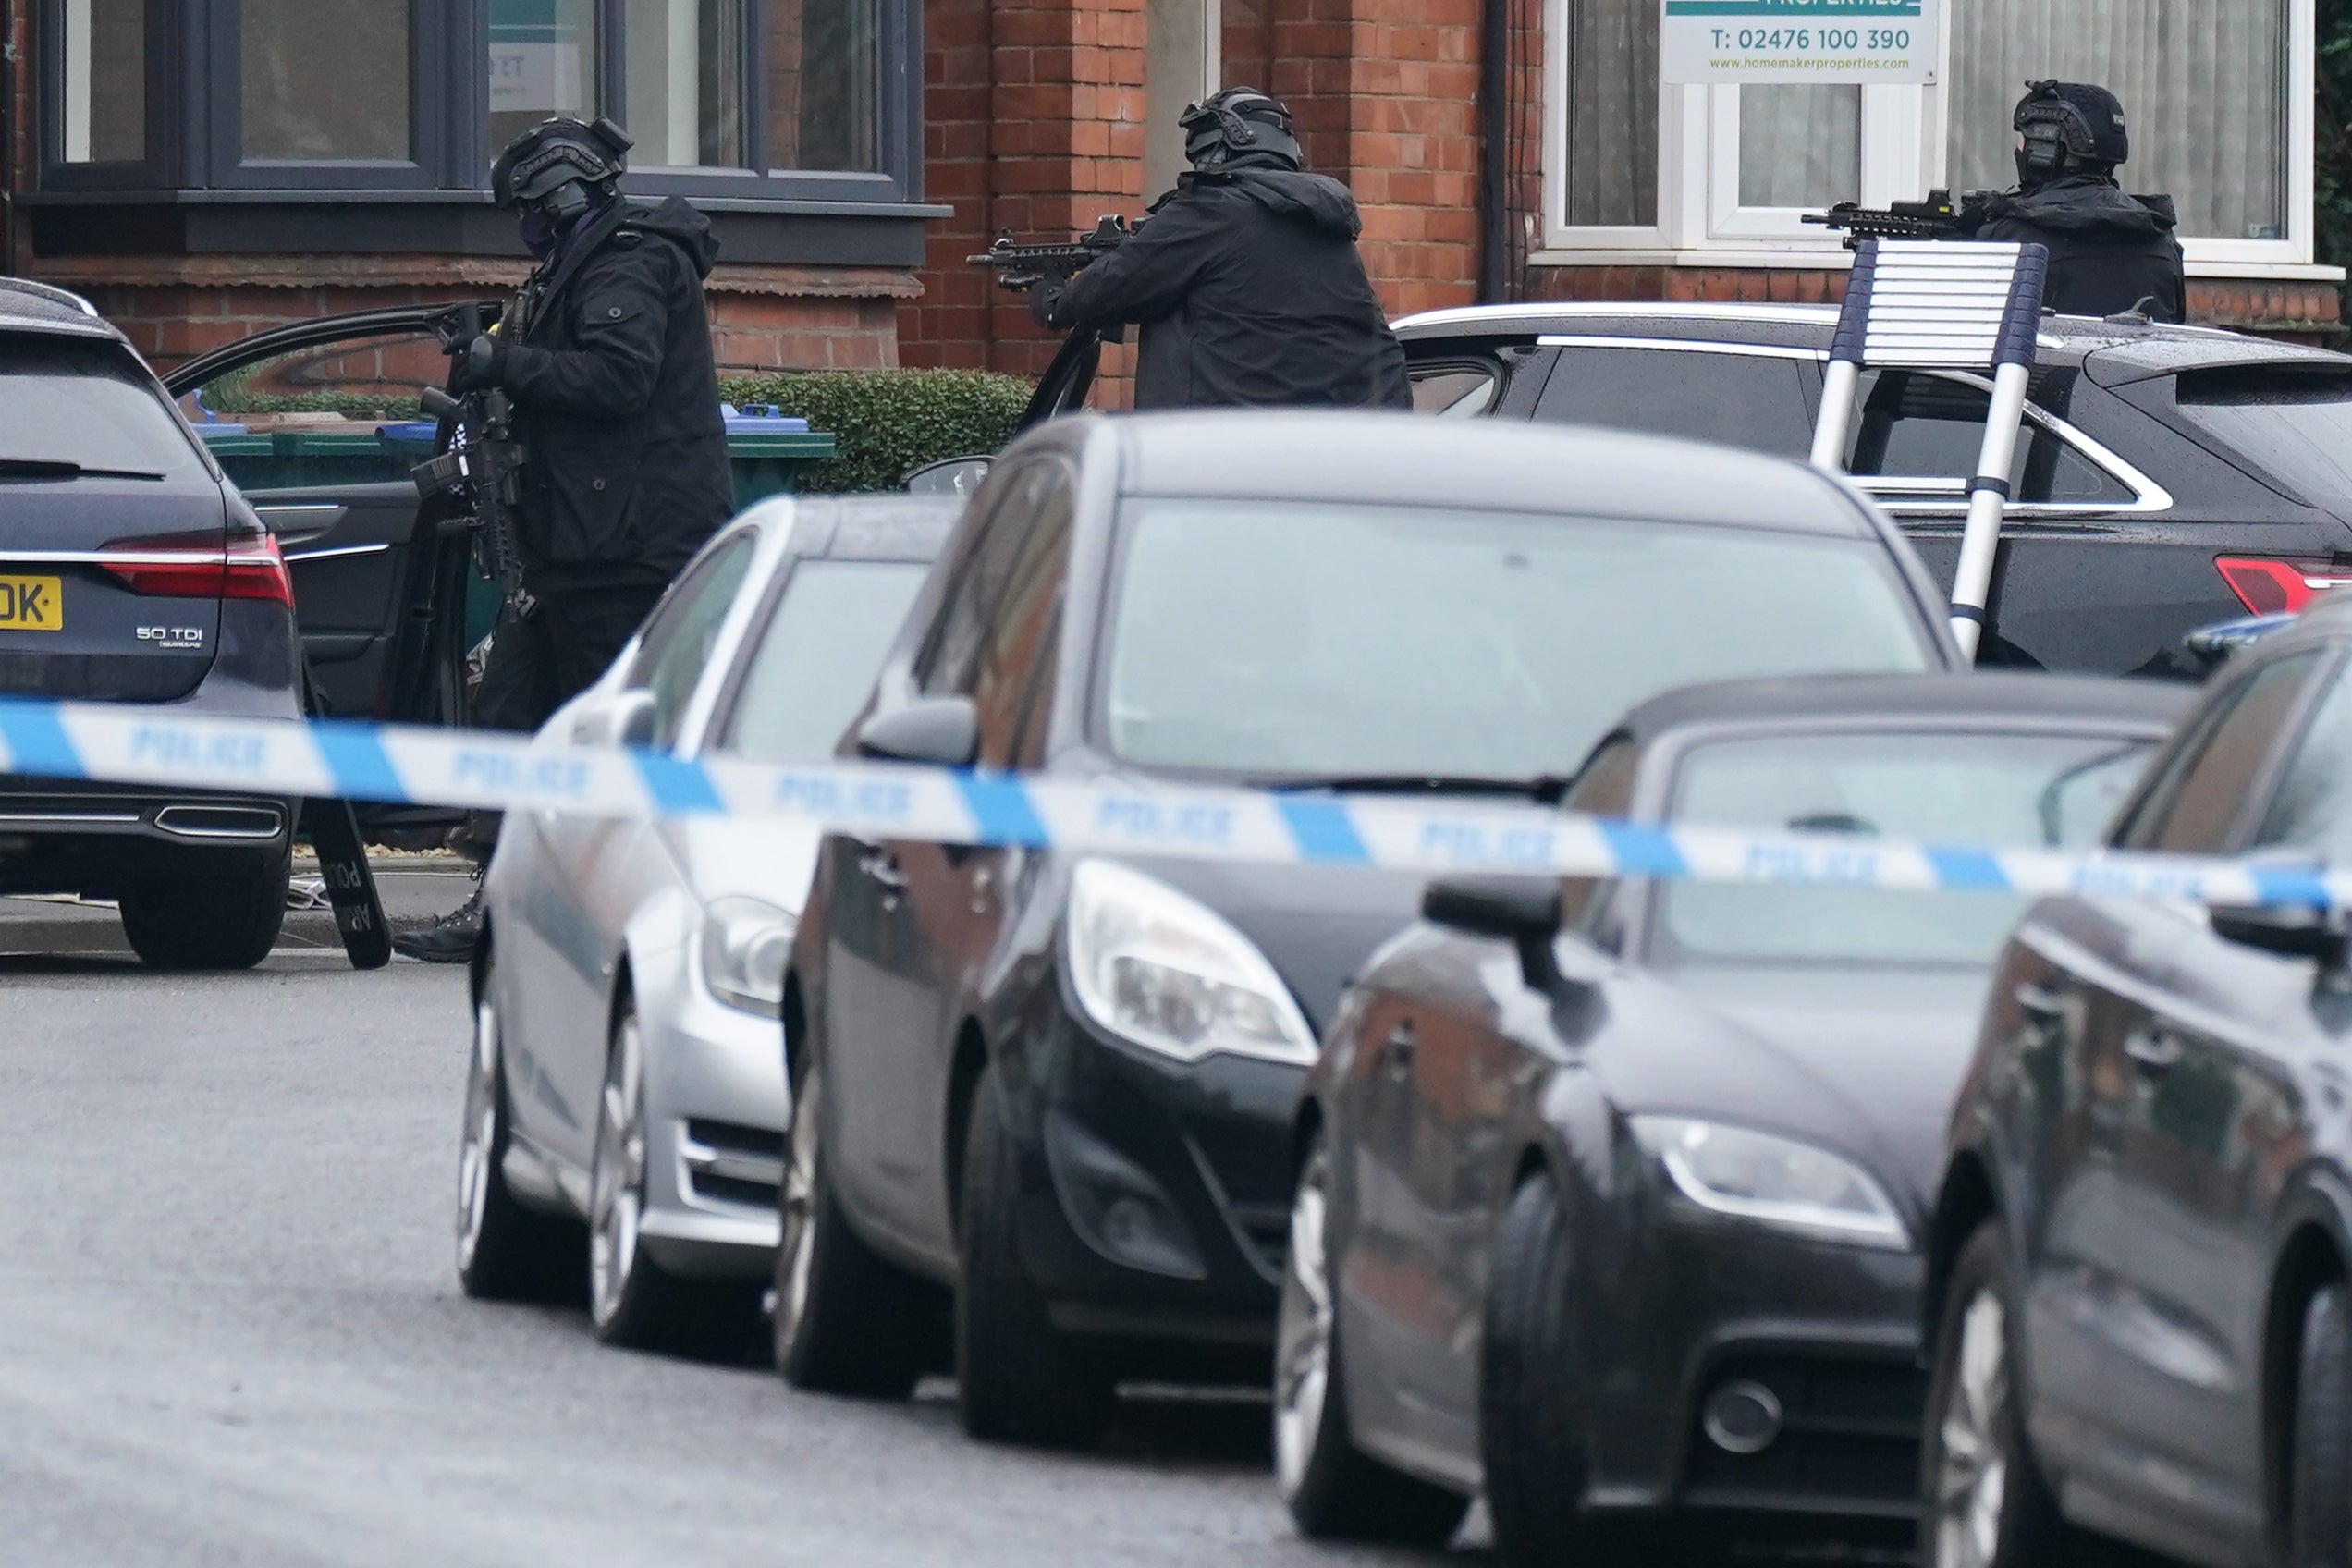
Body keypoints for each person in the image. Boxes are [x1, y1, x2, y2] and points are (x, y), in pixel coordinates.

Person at [395, 116, 735, 963]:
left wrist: (500, 363)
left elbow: (619, 379)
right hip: (573, 545)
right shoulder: (577, 263)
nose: (524, 226)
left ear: (562, 193)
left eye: (528, 207)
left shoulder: (632, 260)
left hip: (624, 547)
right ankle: (502, 908)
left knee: (607, 734)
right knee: (515, 716)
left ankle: (637, 914)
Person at [1026, 88, 1411, 410]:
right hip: (1336, 450)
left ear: (1224, 142)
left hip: (1219, 452)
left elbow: (1114, 285)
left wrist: (1055, 298)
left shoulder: (1213, 209)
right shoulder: (1325, 227)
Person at [1964, 80, 2187, 324]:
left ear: (2044, 149)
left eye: (2023, 139)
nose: (2018, 148)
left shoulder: (2009, 238)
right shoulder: (2160, 240)